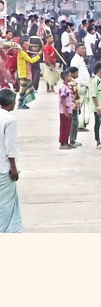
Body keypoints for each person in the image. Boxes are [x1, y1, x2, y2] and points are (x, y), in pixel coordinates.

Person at [0, 89, 21, 233]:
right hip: (4, 169)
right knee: (6, 205)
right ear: (12, 102)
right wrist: (13, 168)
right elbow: (10, 148)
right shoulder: (9, 120)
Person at [57, 69, 78, 150]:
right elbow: (62, 99)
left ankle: (66, 142)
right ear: (65, 78)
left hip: (69, 110)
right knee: (64, 127)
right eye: (69, 76)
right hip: (64, 111)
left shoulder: (67, 86)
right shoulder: (63, 88)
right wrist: (65, 111)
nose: (71, 77)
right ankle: (62, 142)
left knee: (68, 127)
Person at [16, 44, 39, 110]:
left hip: (26, 73)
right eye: (26, 44)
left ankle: (23, 103)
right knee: (23, 90)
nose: (28, 45)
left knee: (26, 89)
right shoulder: (22, 53)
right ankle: (20, 104)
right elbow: (31, 60)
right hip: (24, 74)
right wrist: (38, 56)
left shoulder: (24, 52)